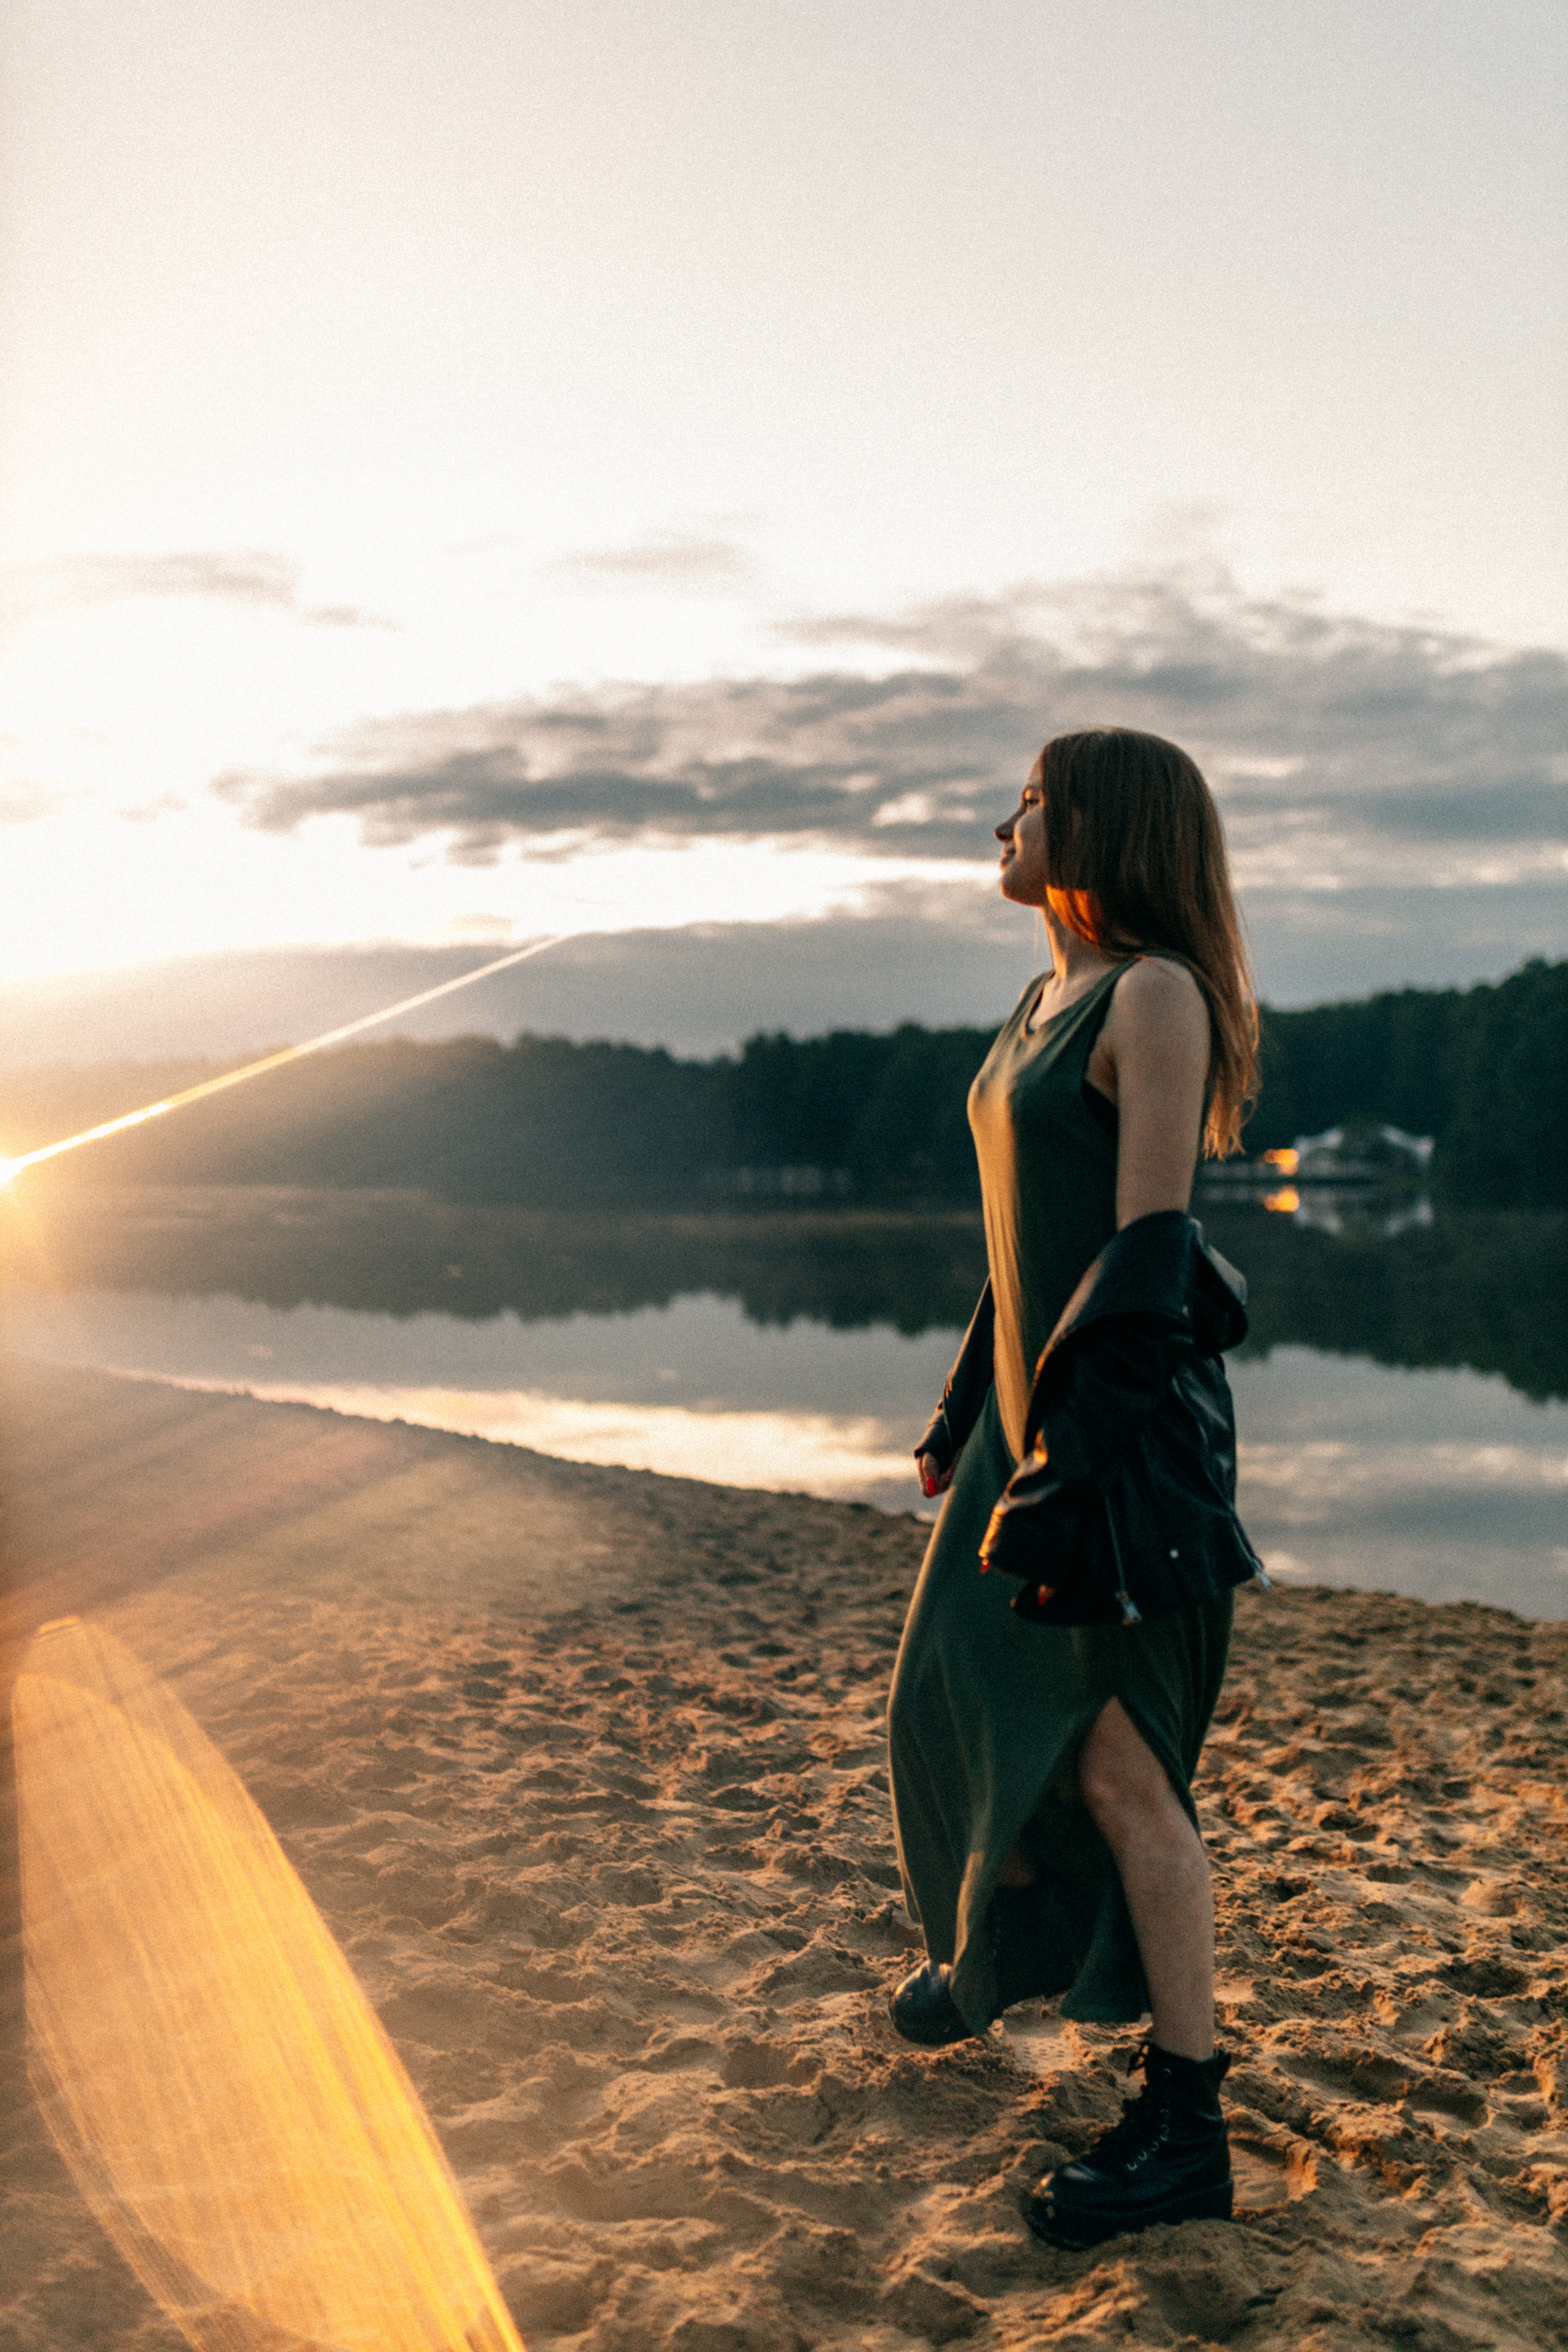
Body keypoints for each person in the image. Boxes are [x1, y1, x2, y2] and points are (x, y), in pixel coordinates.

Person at [885, 726, 1264, 2250]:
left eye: (1031, 803)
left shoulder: (1153, 996)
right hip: (1026, 1430)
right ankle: (986, 1960)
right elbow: (1015, 1241)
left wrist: (1064, 1475)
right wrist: (966, 1403)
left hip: (1114, 1443)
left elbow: (1144, 1260)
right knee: (944, 1695)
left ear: (1098, 823)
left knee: (1118, 1775)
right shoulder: (1040, 997)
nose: (1003, 820)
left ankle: (1184, 2120)